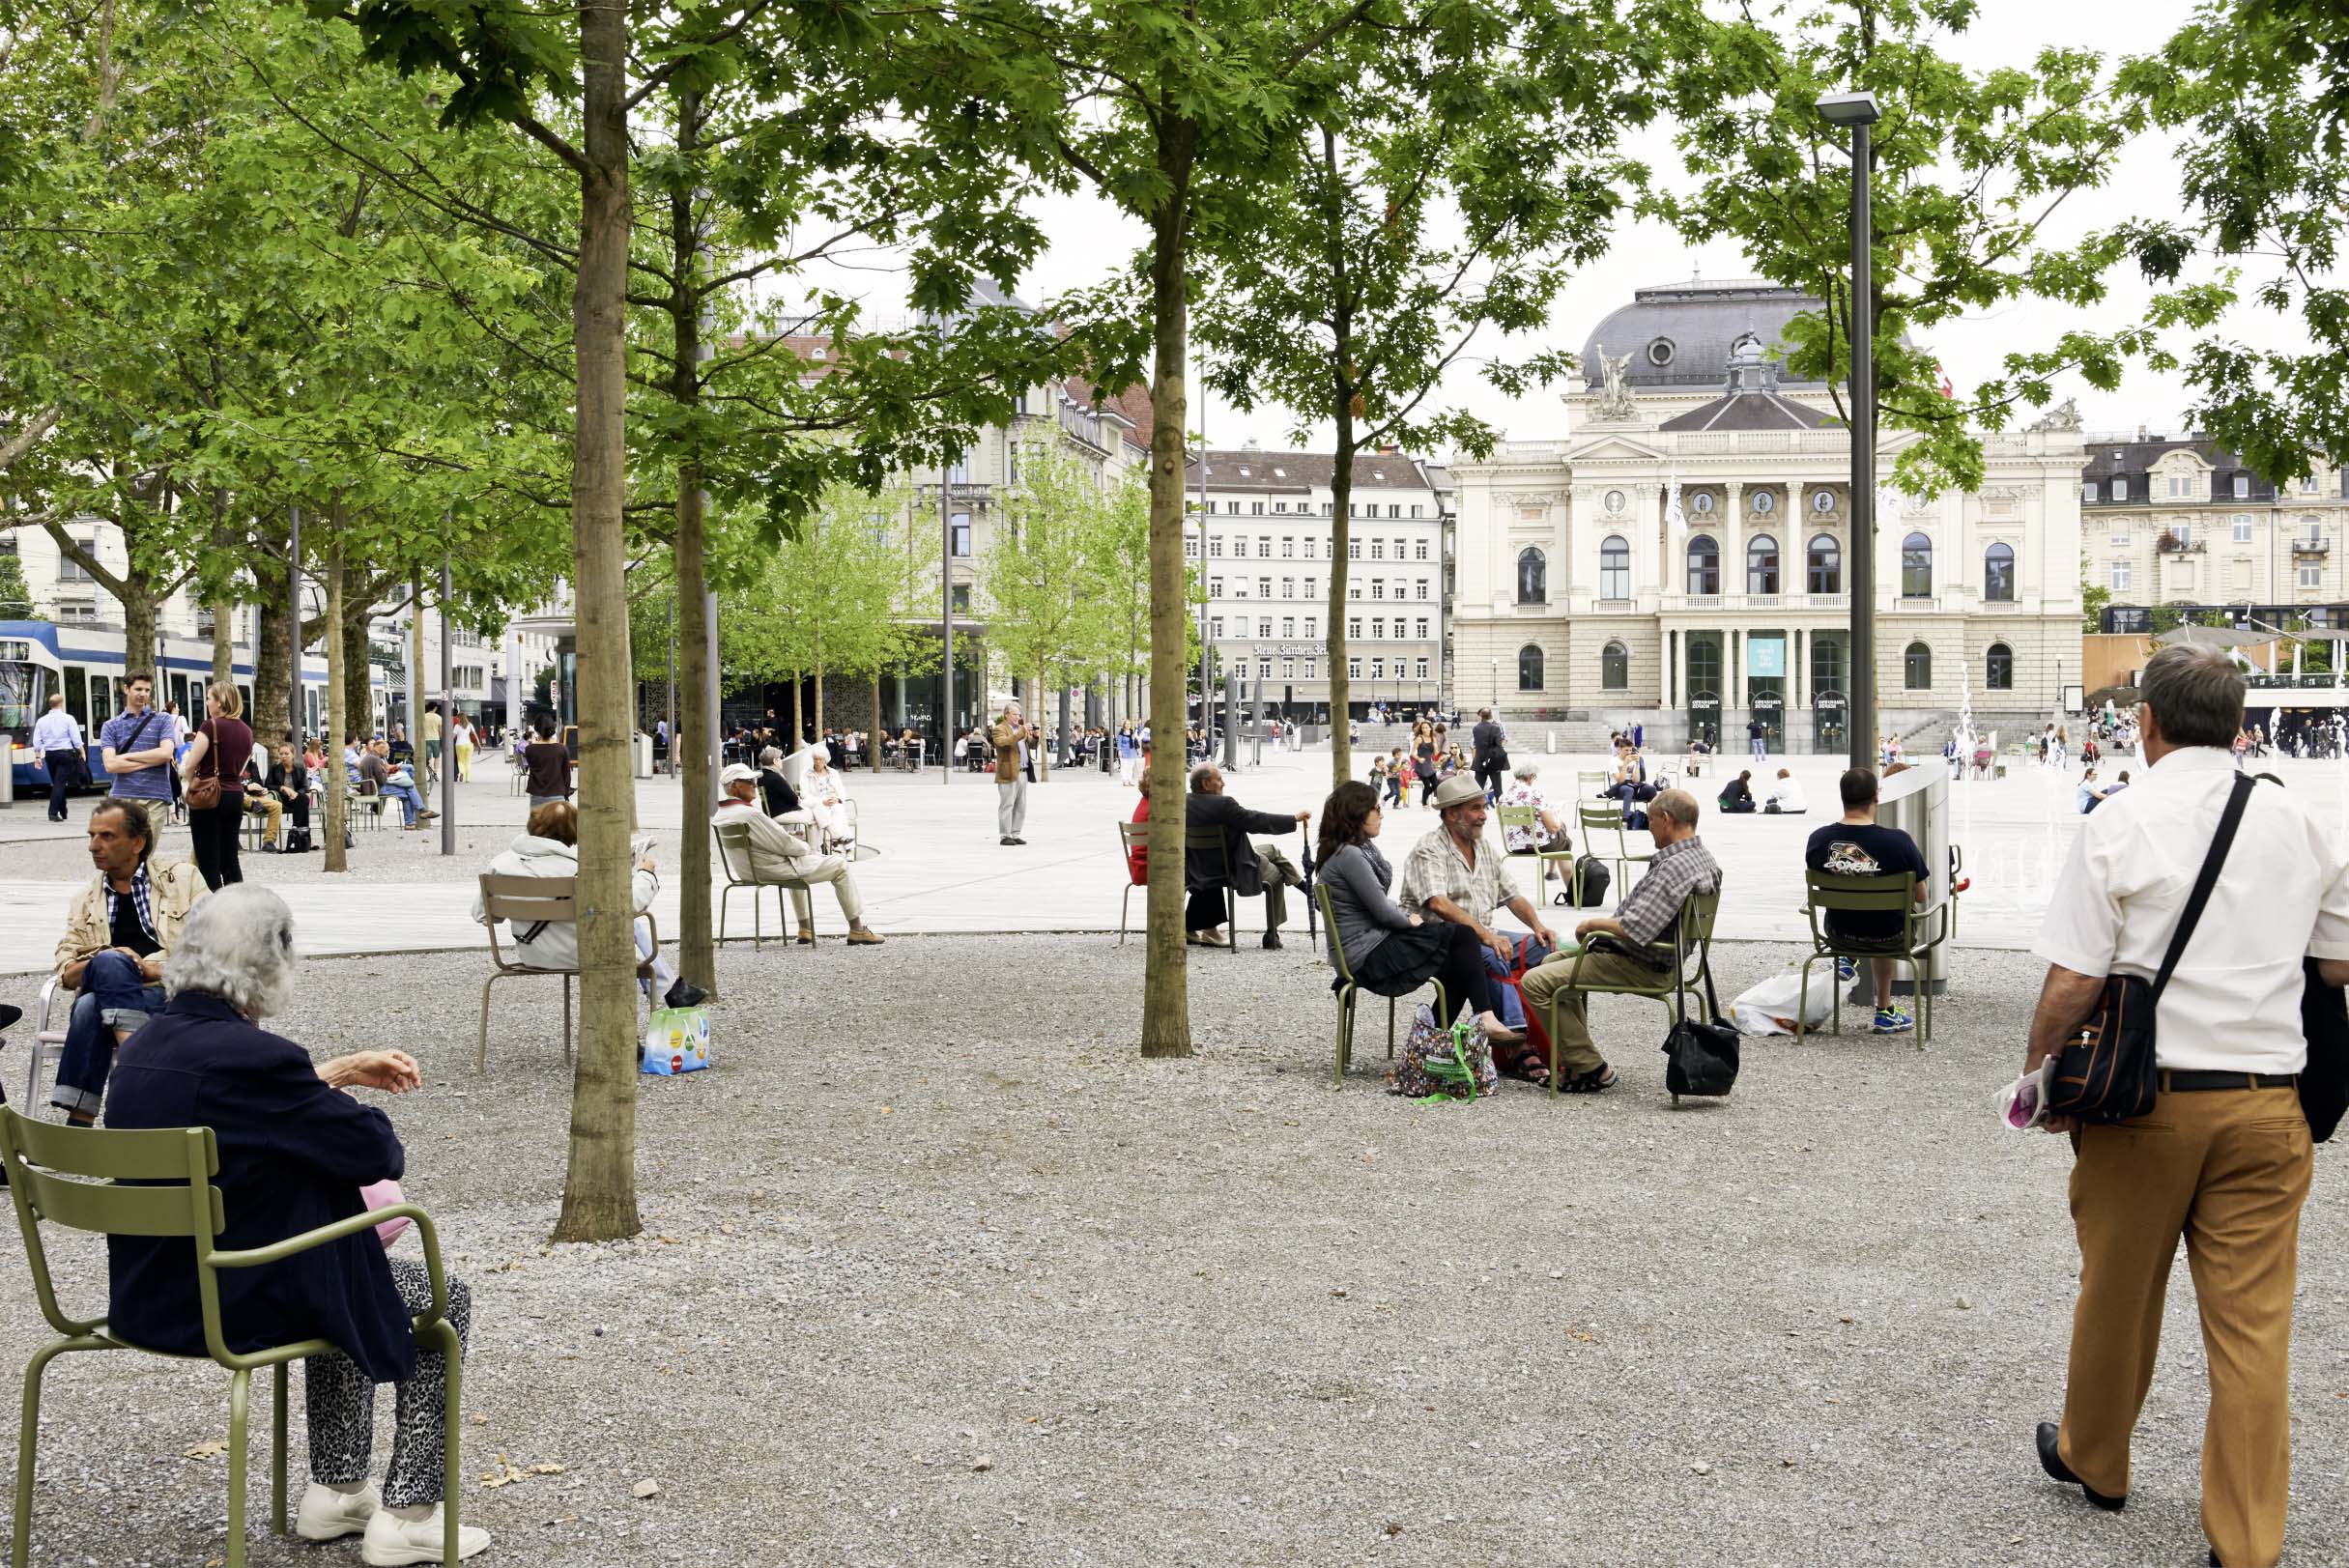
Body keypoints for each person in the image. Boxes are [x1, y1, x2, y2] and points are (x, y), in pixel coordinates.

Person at [2022, 645, 2349, 1568]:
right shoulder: (2297, 819)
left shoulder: (2121, 821)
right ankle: (2245, 1540)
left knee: (2116, 1293)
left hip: (2145, 1103)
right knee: (2251, 1325)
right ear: (2238, 722)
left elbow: (2073, 977)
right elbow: (2336, 963)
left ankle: (2097, 1459)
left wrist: (2037, 1073)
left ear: (2147, 721)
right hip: (2266, 1105)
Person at [100, 886, 493, 1564]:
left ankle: (337, 1491)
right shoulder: (258, 1058)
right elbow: (375, 1150)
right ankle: (408, 1513)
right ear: (272, 961)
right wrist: (331, 1089)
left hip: (147, 1295)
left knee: (340, 1263)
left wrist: (329, 1074)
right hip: (234, 1303)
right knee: (438, 1297)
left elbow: (243, 1110)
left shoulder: (140, 1049)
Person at [1516, 788, 1716, 1094]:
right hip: (1664, 958)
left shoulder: (1674, 866)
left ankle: (1591, 1067)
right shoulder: (1703, 859)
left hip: (1641, 963)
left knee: (1534, 982)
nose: (1648, 827)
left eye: (1650, 820)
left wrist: (1591, 924)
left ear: (1666, 819)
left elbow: (1638, 927)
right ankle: (1578, 1060)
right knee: (1550, 964)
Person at [1317, 781, 1527, 1067]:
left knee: (1461, 968)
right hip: (1369, 956)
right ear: (1355, 813)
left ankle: (1427, 1051)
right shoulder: (1350, 855)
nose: (1382, 813)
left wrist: (1404, 919)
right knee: (1463, 935)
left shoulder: (1349, 852)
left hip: (1366, 949)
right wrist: (1411, 921)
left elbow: (1376, 905)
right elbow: (1383, 912)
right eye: (1375, 808)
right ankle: (1486, 1017)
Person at [48, 797, 209, 1123]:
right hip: (119, 992)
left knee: (88, 1006)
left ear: (137, 842)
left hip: (173, 994)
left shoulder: (183, 879)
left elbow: (213, 949)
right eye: (91, 835)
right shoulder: (85, 900)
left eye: (106, 836)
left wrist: (151, 968)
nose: (94, 846)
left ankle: (79, 1121)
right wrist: (106, 961)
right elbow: (65, 972)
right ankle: (136, 1063)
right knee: (109, 963)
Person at [472, 801, 705, 1010]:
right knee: (628, 926)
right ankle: (669, 992)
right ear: (573, 833)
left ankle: (672, 990)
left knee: (625, 929)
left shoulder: (499, 864)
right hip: (584, 954)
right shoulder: (578, 871)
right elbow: (628, 905)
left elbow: (482, 916)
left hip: (532, 954)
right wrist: (645, 875)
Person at [1395, 774, 1557, 1025]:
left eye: (1483, 807)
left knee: (1547, 949)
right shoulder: (1429, 848)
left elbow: (1512, 896)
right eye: (1476, 809)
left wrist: (1538, 926)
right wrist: (1486, 936)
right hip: (1436, 944)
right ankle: (1517, 1041)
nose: (1484, 815)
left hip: (1481, 935)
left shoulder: (1483, 847)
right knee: (1490, 956)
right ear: (1451, 814)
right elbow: (1438, 902)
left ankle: (1549, 1033)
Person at [1805, 768, 1930, 1035]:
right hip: (1892, 937)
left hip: (1839, 935)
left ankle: (1848, 959)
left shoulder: (1818, 840)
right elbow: (1921, 896)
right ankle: (1884, 1011)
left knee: (1857, 913)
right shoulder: (1899, 842)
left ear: (1842, 797)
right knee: (1886, 919)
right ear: (1876, 796)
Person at [711, 763, 884, 944]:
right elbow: (786, 845)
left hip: (747, 870)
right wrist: (804, 847)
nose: (756, 784)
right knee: (840, 865)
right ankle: (856, 929)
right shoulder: (750, 815)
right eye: (750, 781)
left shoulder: (722, 813)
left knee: (798, 862)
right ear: (736, 786)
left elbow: (766, 842)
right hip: (771, 869)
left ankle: (805, 929)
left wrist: (790, 841)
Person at [1184, 762, 1309, 950]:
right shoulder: (1224, 805)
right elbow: (1256, 821)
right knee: (1277, 875)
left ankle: (1305, 888)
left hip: (1200, 866)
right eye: (1219, 780)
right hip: (1235, 866)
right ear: (1205, 784)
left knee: (1274, 852)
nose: (1223, 783)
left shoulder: (1185, 802)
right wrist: (1293, 819)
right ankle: (1272, 932)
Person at [174, 679, 256, 891]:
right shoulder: (247, 731)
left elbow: (191, 763)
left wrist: (192, 783)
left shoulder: (210, 726)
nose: (207, 703)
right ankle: (239, 903)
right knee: (230, 857)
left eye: (209, 698)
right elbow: (240, 768)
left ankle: (216, 907)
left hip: (210, 796)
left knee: (208, 858)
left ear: (220, 702)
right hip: (235, 794)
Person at [99, 670, 178, 841]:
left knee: (145, 853)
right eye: (138, 689)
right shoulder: (111, 726)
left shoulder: (162, 720)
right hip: (122, 797)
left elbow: (166, 753)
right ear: (126, 689)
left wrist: (124, 758)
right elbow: (111, 765)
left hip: (155, 798)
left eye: (147, 690)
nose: (143, 694)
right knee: (121, 854)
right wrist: (151, 760)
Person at [33, 691, 85, 822]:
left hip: (50, 755)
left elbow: (37, 741)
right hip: (65, 755)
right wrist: (82, 752)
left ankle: (63, 811)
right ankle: (52, 813)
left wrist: (37, 757)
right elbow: (76, 738)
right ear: (61, 704)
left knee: (57, 782)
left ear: (50, 705)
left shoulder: (41, 721)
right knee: (59, 784)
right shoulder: (68, 719)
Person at [990, 701, 1037, 845]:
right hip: (1008, 771)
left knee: (1021, 806)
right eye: (1015, 714)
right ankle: (1005, 835)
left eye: (1019, 714)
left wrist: (1034, 735)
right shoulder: (999, 729)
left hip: (1023, 771)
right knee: (1007, 805)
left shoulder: (1020, 729)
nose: (1018, 717)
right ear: (1007, 714)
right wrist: (1021, 732)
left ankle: (1015, 834)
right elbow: (1005, 743)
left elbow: (1032, 745)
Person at [360, 740, 433, 830]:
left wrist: (389, 773)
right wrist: (391, 774)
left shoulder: (370, 756)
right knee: (409, 789)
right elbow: (382, 779)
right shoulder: (375, 759)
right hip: (377, 789)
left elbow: (380, 774)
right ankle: (417, 815)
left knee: (408, 791)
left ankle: (412, 822)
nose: (387, 754)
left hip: (372, 787)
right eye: (386, 751)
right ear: (380, 748)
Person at [804, 749, 855, 851]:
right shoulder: (806, 774)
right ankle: (846, 847)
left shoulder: (833, 773)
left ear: (826, 760)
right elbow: (805, 794)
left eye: (821, 760)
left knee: (837, 809)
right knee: (836, 812)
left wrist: (837, 799)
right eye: (815, 759)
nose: (818, 762)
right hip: (817, 804)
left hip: (833, 802)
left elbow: (841, 791)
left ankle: (837, 845)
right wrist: (822, 801)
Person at [522, 717, 571, 809]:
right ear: (553, 729)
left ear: (536, 730)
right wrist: (566, 795)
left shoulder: (530, 749)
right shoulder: (562, 749)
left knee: (538, 823)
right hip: (557, 796)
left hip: (537, 796)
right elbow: (566, 776)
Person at [1471, 706, 1508, 803]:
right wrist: (1503, 741)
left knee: (1478, 787)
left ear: (1481, 716)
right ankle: (1500, 807)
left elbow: (1475, 744)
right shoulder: (1495, 728)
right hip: (1493, 760)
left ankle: (1475, 806)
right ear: (1491, 715)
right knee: (1497, 787)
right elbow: (1499, 744)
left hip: (1480, 760)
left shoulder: (1475, 728)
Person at [755, 745, 801, 817]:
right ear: (775, 761)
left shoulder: (761, 777)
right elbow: (794, 800)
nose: (781, 760)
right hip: (782, 813)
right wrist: (798, 799)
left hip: (772, 813)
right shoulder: (776, 778)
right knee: (812, 813)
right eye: (780, 758)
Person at [420, 700, 444, 788]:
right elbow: (440, 730)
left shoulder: (424, 717)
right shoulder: (439, 717)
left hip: (426, 739)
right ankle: (435, 772)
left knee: (427, 758)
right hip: (436, 739)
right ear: (435, 708)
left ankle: (430, 773)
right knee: (436, 757)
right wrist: (441, 738)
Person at [451, 711, 474, 782]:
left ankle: (461, 772)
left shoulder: (457, 726)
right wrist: (479, 744)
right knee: (468, 762)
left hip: (459, 745)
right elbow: (474, 734)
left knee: (460, 761)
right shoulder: (470, 725)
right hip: (469, 744)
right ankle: (468, 779)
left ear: (459, 718)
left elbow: (453, 736)